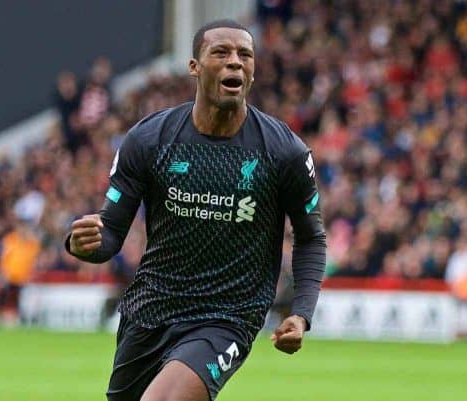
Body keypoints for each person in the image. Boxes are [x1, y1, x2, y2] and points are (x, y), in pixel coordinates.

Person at [65, 19, 326, 401]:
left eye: (245, 55)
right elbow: (110, 234)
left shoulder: (283, 151)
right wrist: (83, 243)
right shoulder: (149, 139)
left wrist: (301, 313)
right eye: (221, 52)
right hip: (150, 310)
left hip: (228, 315)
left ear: (252, 72)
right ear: (195, 66)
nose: (235, 62)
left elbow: (310, 236)